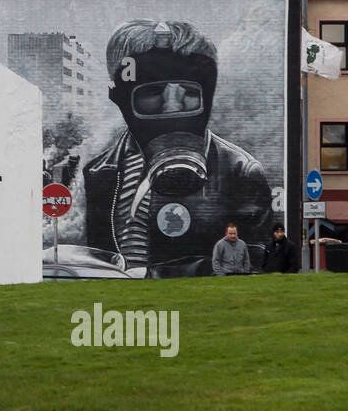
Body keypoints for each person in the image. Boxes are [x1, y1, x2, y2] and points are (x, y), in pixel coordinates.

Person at [82, 19, 274, 278]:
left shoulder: (240, 172)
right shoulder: (99, 172)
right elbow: (97, 256)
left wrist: (153, 276)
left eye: (189, 91)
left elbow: (254, 262)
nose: (173, 106)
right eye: (153, 92)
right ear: (118, 98)